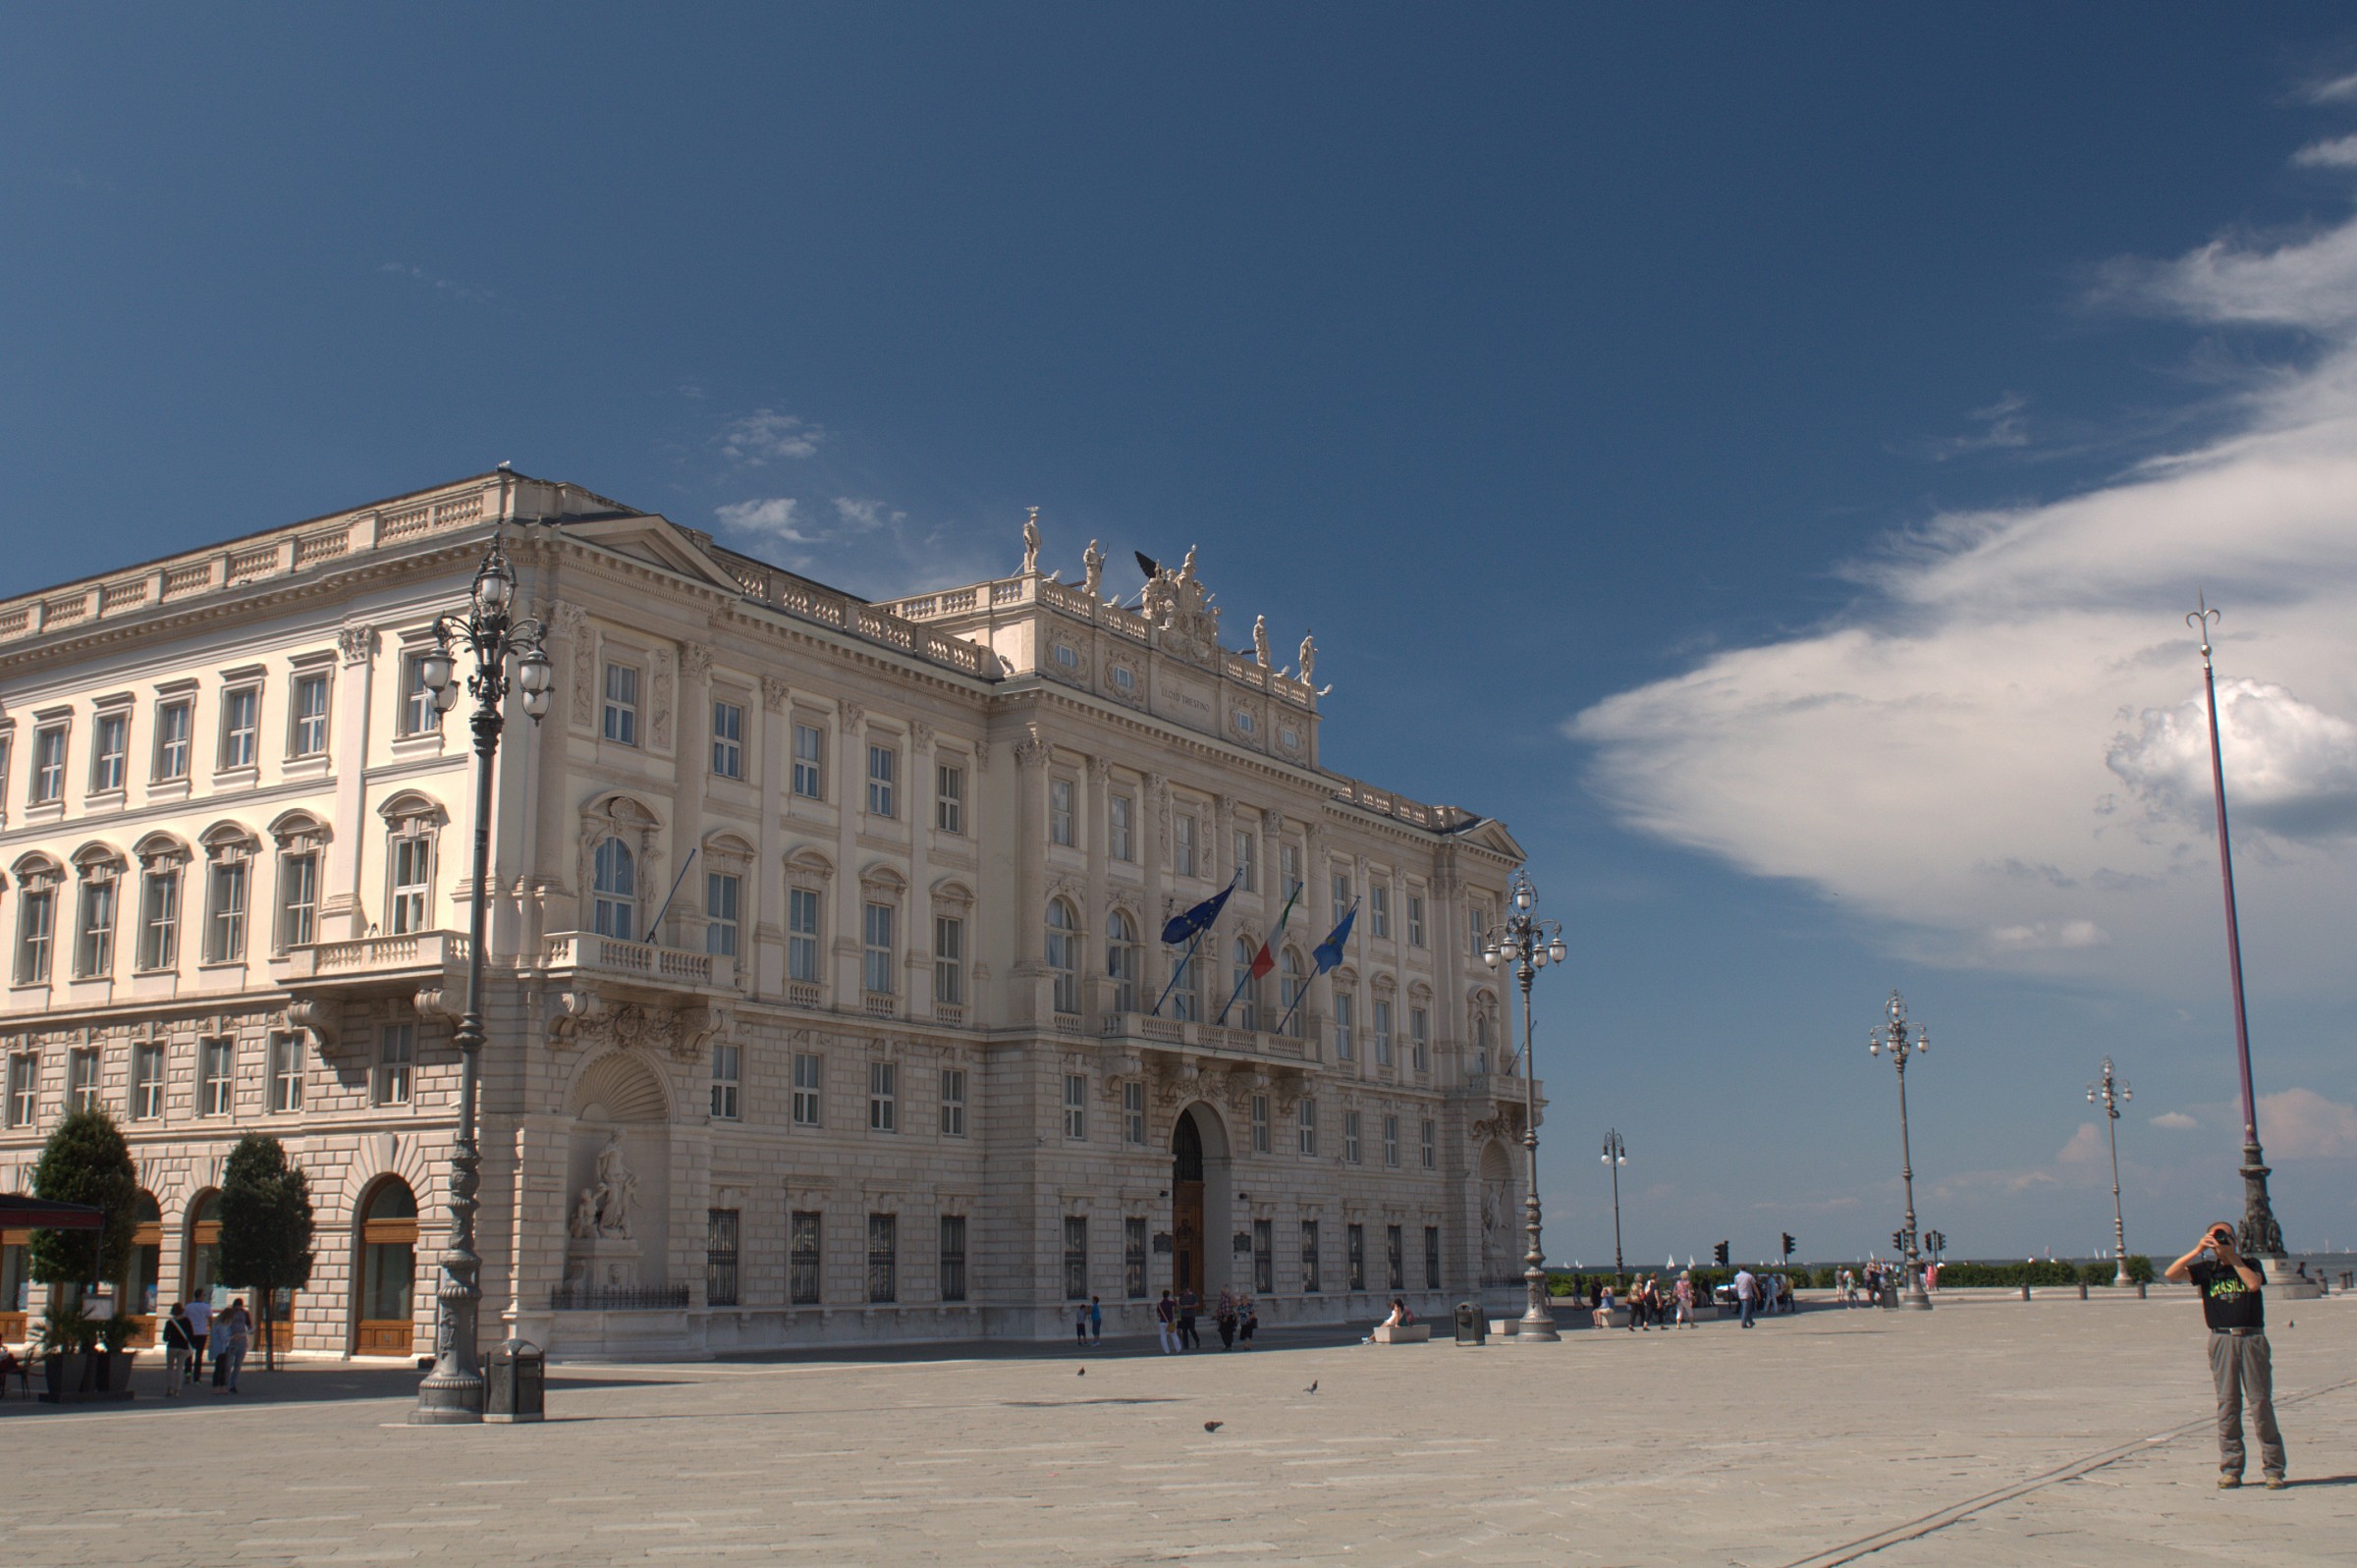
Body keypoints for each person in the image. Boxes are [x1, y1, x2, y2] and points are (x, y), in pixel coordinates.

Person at [2165, 1221, 2286, 1489]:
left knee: (2260, 1404)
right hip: (2221, 1338)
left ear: (2235, 1239)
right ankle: (2231, 1468)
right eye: (2216, 1236)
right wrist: (2198, 1249)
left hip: (2252, 1337)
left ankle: (2274, 1469)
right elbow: (2171, 1274)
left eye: (2226, 1236)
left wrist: (2232, 1256)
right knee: (2228, 1405)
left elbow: (2253, 1284)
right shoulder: (2207, 1269)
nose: (2220, 1240)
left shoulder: (2250, 1263)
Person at [211, 1298, 250, 1392]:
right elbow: (224, 1327)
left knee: (238, 1364)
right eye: (236, 1308)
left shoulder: (245, 1313)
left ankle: (232, 1385)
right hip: (231, 1341)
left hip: (241, 1341)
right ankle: (225, 1383)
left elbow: (249, 1326)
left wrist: (247, 1332)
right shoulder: (229, 1313)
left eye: (239, 1308)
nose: (238, 1310)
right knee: (228, 1364)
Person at [160, 1303, 197, 1396]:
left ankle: (169, 1388)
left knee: (170, 1368)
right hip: (183, 1347)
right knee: (180, 1368)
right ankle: (177, 1390)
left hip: (172, 1346)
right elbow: (192, 1335)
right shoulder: (187, 1321)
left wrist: (171, 1338)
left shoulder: (170, 1322)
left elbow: (165, 1338)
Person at [184, 1294, 212, 1378]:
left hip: (191, 1332)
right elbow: (210, 1319)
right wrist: (212, 1329)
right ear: (201, 1296)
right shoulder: (206, 1307)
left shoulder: (188, 1306)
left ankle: (188, 1372)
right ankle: (197, 1376)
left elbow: (185, 1318)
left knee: (189, 1354)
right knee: (199, 1355)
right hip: (202, 1332)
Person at [1177, 1286, 1200, 1351]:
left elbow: (1196, 1305)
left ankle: (1197, 1341)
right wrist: (1179, 1306)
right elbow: (1179, 1306)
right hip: (1183, 1316)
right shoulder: (1182, 1297)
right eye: (1184, 1292)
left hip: (1191, 1316)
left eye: (1186, 1291)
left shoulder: (1193, 1296)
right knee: (1184, 1331)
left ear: (1188, 1290)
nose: (1185, 1293)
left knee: (1192, 1329)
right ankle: (1186, 1345)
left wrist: (1188, 1306)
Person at [1156, 1289, 1178, 1354]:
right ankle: (1178, 1349)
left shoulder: (1159, 1304)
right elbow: (1176, 1302)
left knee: (1163, 1337)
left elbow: (1158, 1314)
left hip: (1162, 1322)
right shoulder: (1170, 1303)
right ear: (1168, 1296)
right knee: (1174, 1336)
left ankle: (1166, 1351)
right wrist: (1172, 1296)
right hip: (1170, 1322)